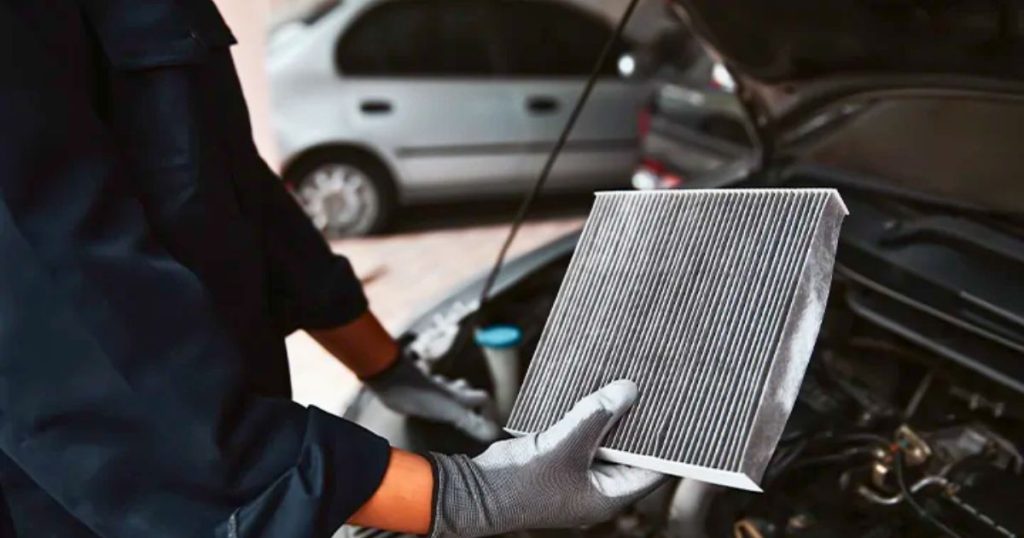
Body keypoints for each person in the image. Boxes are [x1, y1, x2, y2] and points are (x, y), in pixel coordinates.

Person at [0, 0, 663, 536]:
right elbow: (57, 316)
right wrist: (468, 496)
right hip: (109, 506)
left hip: (242, 438)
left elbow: (229, 192)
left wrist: (389, 367)